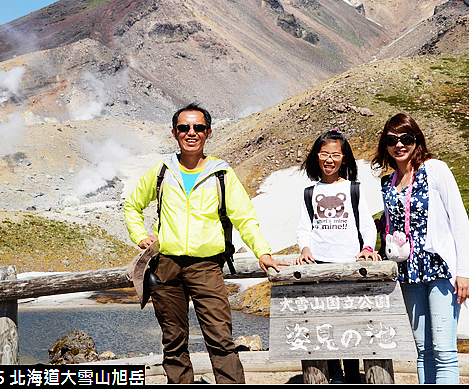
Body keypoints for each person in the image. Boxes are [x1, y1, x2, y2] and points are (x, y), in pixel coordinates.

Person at [124, 103, 289, 384]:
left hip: (207, 267)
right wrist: (140, 235)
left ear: (208, 132)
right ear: (174, 133)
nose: (191, 133)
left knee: (221, 339)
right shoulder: (162, 172)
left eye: (198, 127)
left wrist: (263, 251)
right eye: (184, 128)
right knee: (173, 341)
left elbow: (245, 218)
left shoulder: (222, 174)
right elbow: (132, 205)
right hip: (166, 266)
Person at [371, 113, 469, 384]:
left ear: (417, 140)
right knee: (423, 350)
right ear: (385, 145)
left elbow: (460, 222)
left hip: (439, 267)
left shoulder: (436, 169)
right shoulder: (388, 182)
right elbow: (390, 227)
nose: (399, 145)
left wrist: (464, 271)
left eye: (406, 138)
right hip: (408, 271)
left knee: (444, 350)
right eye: (392, 140)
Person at [295, 130, 381, 384]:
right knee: (326, 320)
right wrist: (305, 249)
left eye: (335, 154)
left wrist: (367, 248)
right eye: (324, 154)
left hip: (350, 265)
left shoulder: (353, 189)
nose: (329, 160)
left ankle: (353, 374)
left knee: (350, 320)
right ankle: (335, 373)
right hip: (320, 264)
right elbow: (304, 227)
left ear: (344, 158)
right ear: (316, 157)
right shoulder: (310, 192)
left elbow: (367, 224)